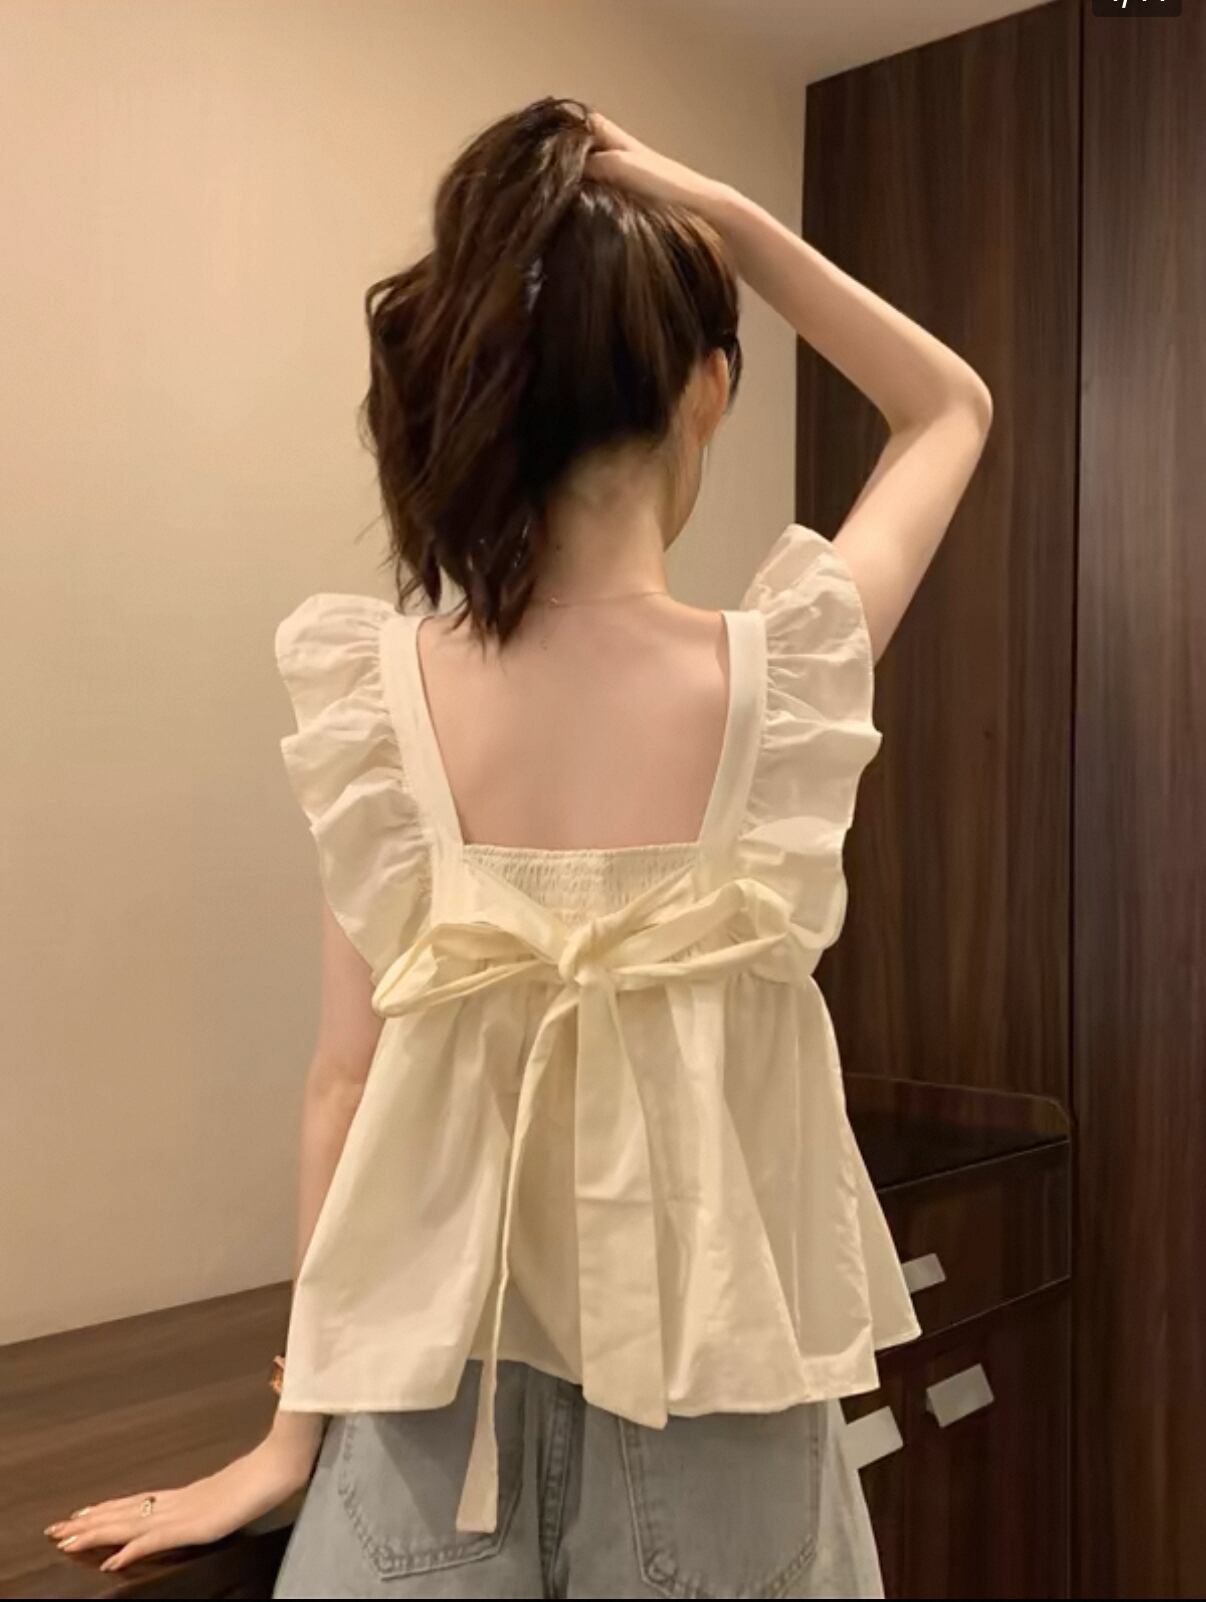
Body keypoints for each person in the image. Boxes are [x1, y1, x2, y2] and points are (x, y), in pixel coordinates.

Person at [44, 97, 992, 1597]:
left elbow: (344, 1082)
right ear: (706, 389)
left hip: (430, 1420)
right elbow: (947, 406)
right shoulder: (784, 683)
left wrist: (289, 1443)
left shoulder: (382, 705)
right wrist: (719, 209)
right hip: (720, 1418)